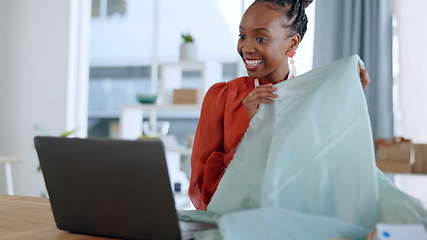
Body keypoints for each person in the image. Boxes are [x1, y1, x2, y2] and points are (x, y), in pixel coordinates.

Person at [189, 0, 370, 210]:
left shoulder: (310, 99)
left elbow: (326, 181)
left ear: (292, 43)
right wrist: (254, 132)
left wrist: (349, 99)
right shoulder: (223, 97)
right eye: (242, 36)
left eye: (260, 38)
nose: (246, 48)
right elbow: (204, 192)